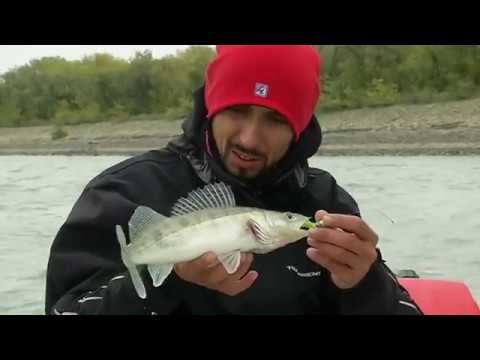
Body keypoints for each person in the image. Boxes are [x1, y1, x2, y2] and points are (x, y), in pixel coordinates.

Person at [45, 45, 422, 315]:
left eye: (275, 120)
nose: (249, 139)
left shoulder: (323, 200)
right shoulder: (123, 193)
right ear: (211, 107)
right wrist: (169, 285)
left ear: (300, 129)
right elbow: (67, 309)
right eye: (237, 111)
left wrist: (363, 283)